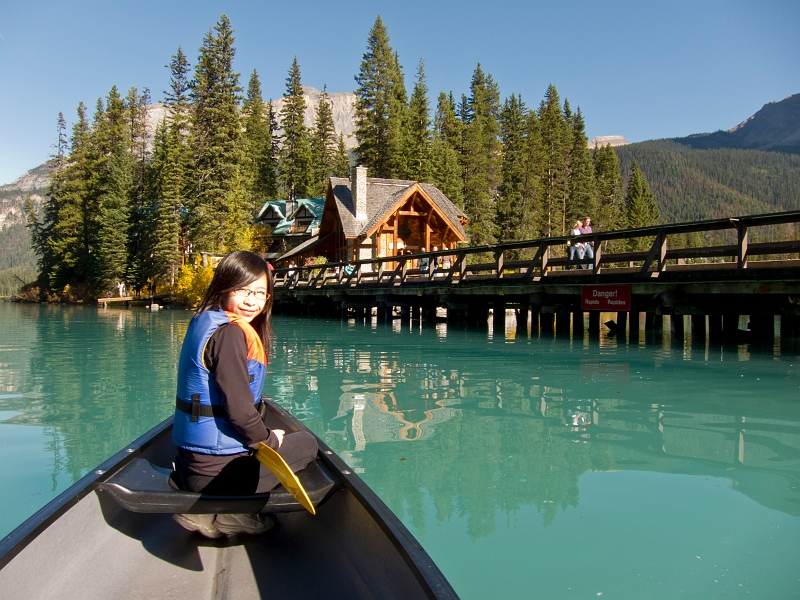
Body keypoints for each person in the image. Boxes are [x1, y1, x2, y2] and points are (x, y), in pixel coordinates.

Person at [172, 251, 318, 539]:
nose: (252, 301)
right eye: (243, 290)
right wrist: (269, 439)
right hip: (216, 474)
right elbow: (239, 411)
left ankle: (207, 513)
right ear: (224, 286)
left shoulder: (205, 320)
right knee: (307, 443)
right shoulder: (229, 334)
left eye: (260, 293)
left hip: (190, 465)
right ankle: (233, 514)